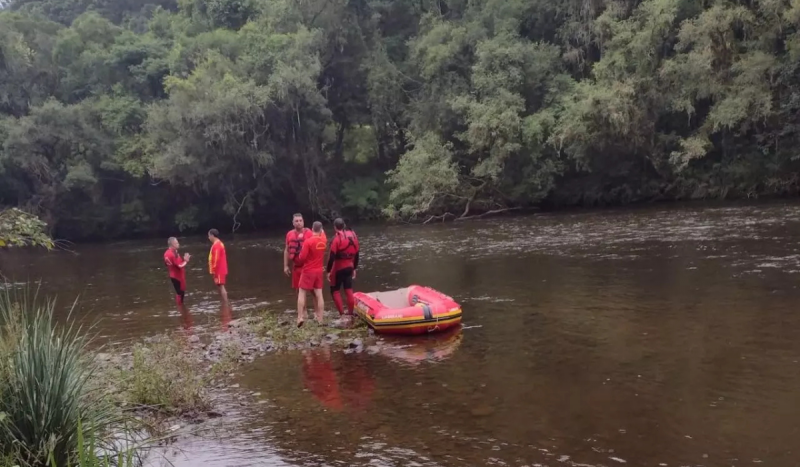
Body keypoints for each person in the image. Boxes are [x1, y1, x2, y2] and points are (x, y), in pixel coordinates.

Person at [295, 221, 327, 327]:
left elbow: (302, 258)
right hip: (319, 271)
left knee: (302, 292)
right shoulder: (324, 240)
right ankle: (320, 318)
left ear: (312, 229)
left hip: (308, 270)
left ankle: (300, 317)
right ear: (321, 229)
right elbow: (323, 232)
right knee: (319, 294)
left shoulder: (308, 242)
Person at [326, 218, 359, 317]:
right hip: (350, 266)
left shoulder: (336, 239)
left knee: (335, 290)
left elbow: (331, 256)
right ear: (344, 225)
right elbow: (357, 254)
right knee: (348, 289)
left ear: (335, 227)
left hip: (338, 268)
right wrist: (354, 268)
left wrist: (328, 271)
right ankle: (350, 313)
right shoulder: (353, 236)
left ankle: (342, 314)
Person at [163, 237, 193, 330]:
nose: (178, 244)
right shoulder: (173, 254)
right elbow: (180, 265)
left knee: (179, 293)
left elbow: (169, 265)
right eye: (176, 243)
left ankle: (182, 311)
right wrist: (186, 261)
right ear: (172, 244)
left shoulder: (166, 253)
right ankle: (181, 311)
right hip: (177, 276)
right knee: (180, 293)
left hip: (173, 275)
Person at [207, 228, 231, 329]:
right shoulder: (218, 244)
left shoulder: (217, 245)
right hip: (219, 269)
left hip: (219, 270)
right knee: (220, 286)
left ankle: (226, 304)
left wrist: (213, 270)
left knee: (221, 286)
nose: (208, 237)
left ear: (212, 235)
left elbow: (216, 259)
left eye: (209, 235)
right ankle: (225, 304)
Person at [284, 213, 312, 291]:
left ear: (303, 221)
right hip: (296, 267)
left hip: (308, 266)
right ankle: (300, 304)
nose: (299, 222)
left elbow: (315, 250)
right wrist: (286, 266)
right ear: (293, 223)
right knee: (298, 290)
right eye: (296, 221)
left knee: (313, 291)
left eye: (300, 220)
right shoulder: (289, 234)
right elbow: (287, 250)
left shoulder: (309, 233)